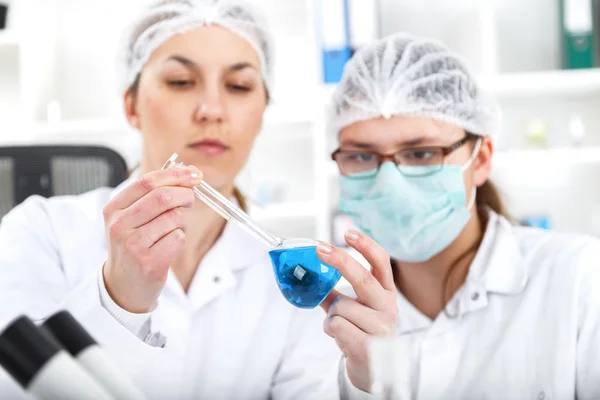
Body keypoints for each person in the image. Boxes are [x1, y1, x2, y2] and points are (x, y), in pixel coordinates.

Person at [0, 1, 341, 399]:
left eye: (239, 86)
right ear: (131, 105)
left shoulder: (291, 283)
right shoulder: (41, 233)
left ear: (262, 111)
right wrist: (119, 300)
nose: (212, 110)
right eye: (181, 81)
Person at [314, 32, 600, 399]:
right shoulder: (331, 317)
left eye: (420, 153)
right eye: (362, 155)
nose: (389, 182)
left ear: (480, 159)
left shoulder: (579, 278)